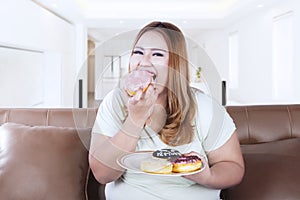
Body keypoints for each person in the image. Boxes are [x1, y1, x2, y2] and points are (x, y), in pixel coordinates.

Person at [89, 21, 244, 200]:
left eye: (157, 54)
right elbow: (102, 174)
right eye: (138, 52)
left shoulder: (204, 106)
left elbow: (233, 167)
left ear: (175, 64)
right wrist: (135, 120)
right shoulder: (114, 102)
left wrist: (207, 176)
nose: (143, 62)